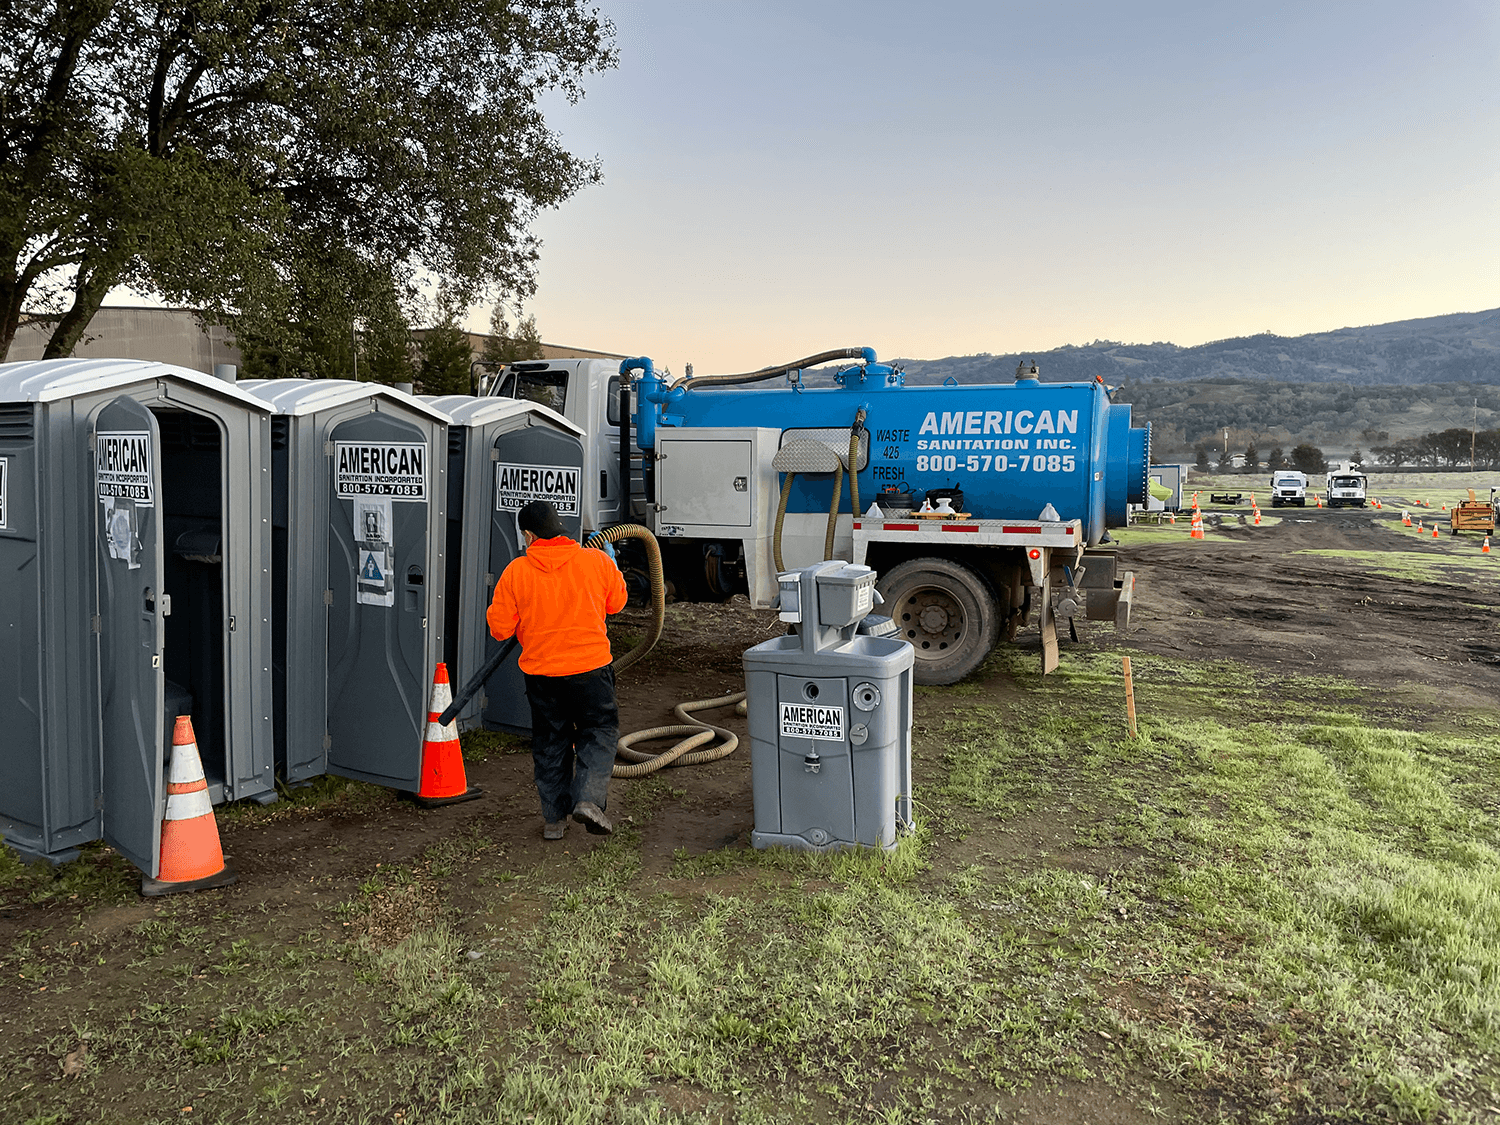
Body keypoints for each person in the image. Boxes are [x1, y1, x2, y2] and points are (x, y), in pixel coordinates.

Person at [486, 500, 628, 840]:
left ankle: (554, 820)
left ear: (529, 535)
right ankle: (589, 801)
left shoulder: (516, 572)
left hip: (542, 676)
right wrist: (613, 567)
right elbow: (617, 604)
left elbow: (500, 629)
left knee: (552, 742)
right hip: (592, 671)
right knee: (599, 732)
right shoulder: (595, 562)